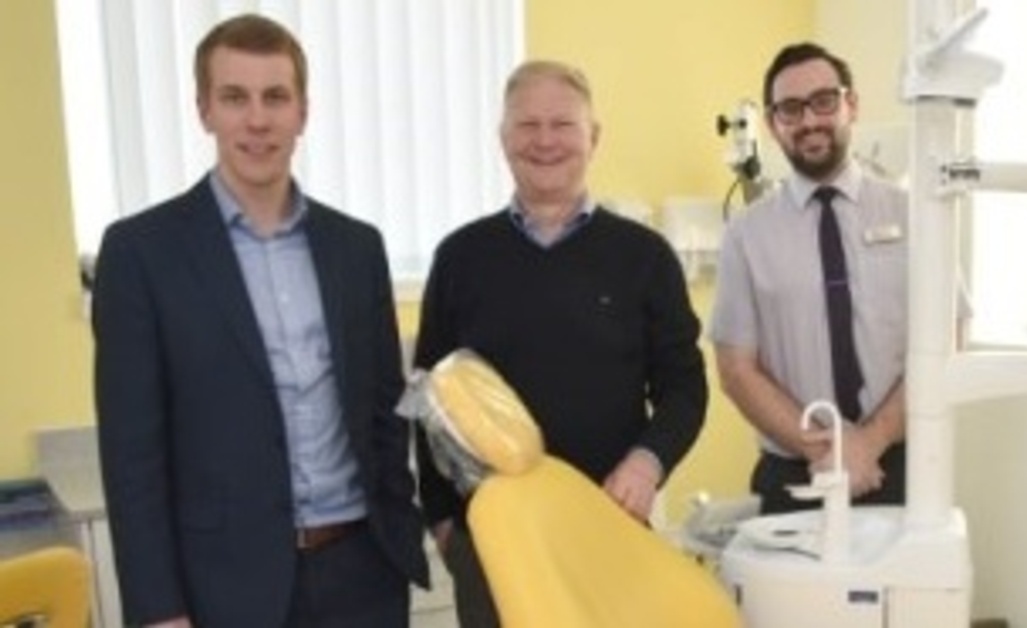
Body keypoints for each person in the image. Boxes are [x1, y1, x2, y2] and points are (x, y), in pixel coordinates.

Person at [91, 14, 428, 628]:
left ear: (302, 111)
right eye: (234, 97)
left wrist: (399, 535)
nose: (257, 120)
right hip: (222, 588)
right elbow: (131, 456)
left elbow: (384, 413)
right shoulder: (141, 253)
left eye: (276, 97)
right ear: (204, 110)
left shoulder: (356, 248)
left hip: (362, 576)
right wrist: (158, 609)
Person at [412, 59, 709, 627]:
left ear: (593, 137)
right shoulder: (460, 258)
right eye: (527, 126)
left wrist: (648, 465)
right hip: (495, 544)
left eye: (562, 125)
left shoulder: (644, 257)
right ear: (503, 140)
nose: (544, 141)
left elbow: (684, 387)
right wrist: (446, 522)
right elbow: (429, 401)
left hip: (610, 530)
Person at [711, 42, 909, 515]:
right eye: (790, 109)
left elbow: (946, 344)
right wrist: (827, 451)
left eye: (824, 102)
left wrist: (868, 443)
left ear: (851, 104)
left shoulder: (913, 214)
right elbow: (736, 369)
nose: (809, 121)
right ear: (773, 123)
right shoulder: (746, 233)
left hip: (900, 465)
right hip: (793, 474)